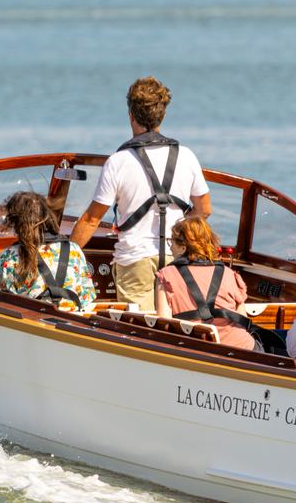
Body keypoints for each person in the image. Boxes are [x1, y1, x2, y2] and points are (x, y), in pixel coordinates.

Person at [71, 77, 211, 311]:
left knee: (143, 334)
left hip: (135, 260)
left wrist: (64, 257)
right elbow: (204, 209)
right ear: (162, 116)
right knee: (177, 329)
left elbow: (91, 219)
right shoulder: (186, 156)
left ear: (131, 116)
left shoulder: (118, 161)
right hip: (178, 259)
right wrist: (179, 233)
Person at [155, 218, 258, 351]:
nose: (170, 246)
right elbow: (242, 319)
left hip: (195, 349)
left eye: (172, 241)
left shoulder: (166, 275)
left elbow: (163, 325)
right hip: (240, 347)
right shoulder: (229, 273)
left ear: (183, 247)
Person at [0, 191, 96, 312]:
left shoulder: (9, 255)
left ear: (15, 223)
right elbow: (88, 295)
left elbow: (8, 298)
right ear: (48, 216)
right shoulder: (74, 249)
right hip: (72, 321)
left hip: (32, 321)